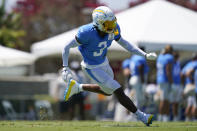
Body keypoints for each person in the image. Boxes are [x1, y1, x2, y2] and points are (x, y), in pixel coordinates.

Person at [62, 6, 157, 126]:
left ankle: (77, 87)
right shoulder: (86, 33)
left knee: (108, 92)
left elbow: (126, 44)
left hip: (104, 63)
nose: (111, 26)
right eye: (107, 23)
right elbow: (66, 47)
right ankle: (142, 116)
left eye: (112, 22)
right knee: (117, 89)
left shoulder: (114, 29)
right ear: (98, 23)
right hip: (91, 67)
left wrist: (144, 55)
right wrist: (65, 67)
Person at [156, 45, 174, 122]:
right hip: (165, 80)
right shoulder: (169, 57)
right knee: (164, 100)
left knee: (164, 99)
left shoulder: (160, 56)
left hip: (160, 80)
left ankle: (164, 117)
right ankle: (161, 117)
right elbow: (168, 70)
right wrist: (171, 81)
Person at [181, 54, 197, 121]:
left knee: (190, 104)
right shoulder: (196, 63)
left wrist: (183, 84)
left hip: (187, 86)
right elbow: (188, 73)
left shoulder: (188, 64)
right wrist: (192, 80)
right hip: (193, 86)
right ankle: (194, 119)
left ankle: (187, 119)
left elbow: (182, 74)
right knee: (195, 105)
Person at [170, 52, 182, 121]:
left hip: (178, 84)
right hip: (172, 84)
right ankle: (167, 117)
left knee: (176, 102)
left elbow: (179, 73)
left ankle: (175, 117)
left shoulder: (178, 63)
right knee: (172, 102)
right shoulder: (170, 64)